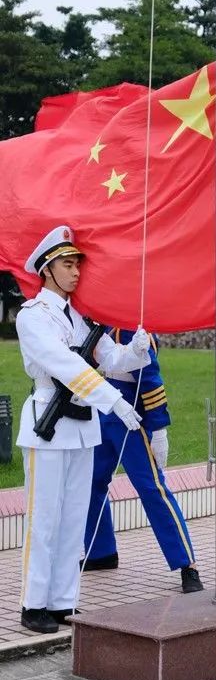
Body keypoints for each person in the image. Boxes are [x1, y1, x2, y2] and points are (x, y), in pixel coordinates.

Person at [16, 226, 151, 634]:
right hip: (49, 424)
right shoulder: (32, 316)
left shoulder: (82, 318)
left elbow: (111, 360)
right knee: (44, 519)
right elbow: (67, 366)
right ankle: (32, 603)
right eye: (66, 264)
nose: (75, 272)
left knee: (73, 519)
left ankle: (61, 602)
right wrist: (113, 401)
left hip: (82, 428)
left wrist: (138, 349)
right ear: (46, 270)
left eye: (77, 264)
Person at [83, 327, 202, 594]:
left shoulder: (132, 326)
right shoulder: (99, 320)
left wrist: (158, 427)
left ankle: (187, 563)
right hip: (103, 404)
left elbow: (150, 378)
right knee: (90, 482)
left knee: (151, 488)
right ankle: (100, 551)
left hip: (131, 413)